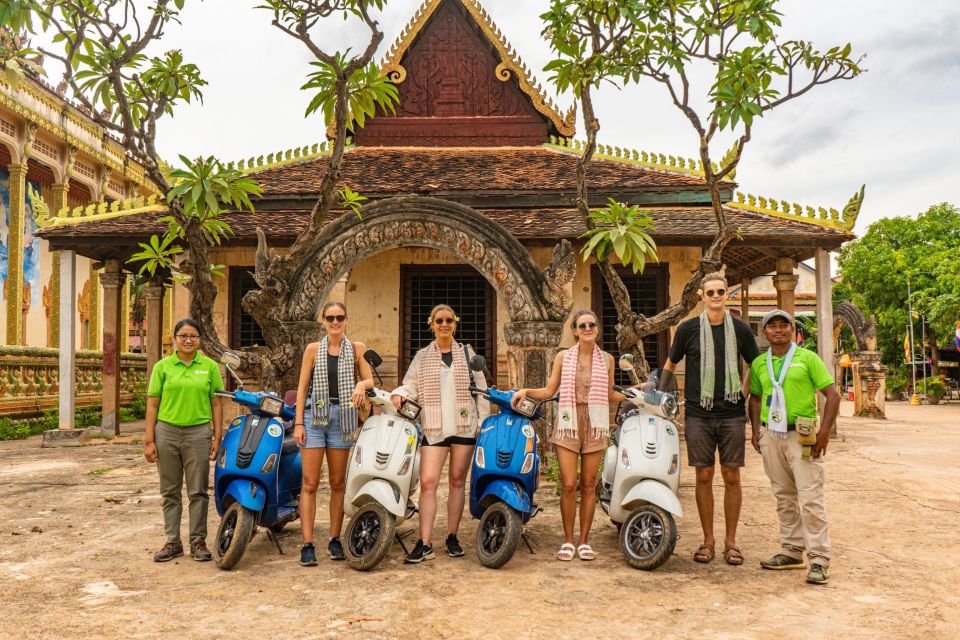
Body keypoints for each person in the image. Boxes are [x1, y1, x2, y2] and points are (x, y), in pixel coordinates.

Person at [662, 272, 760, 565]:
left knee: (731, 475)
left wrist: (742, 395)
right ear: (701, 297)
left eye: (721, 292)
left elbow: (754, 367)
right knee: (703, 475)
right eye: (711, 293)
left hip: (731, 415)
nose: (716, 297)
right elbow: (671, 363)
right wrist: (661, 397)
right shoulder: (687, 329)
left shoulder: (741, 330)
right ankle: (708, 540)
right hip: (698, 414)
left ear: (726, 294)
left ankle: (731, 542)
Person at [513, 309, 624, 561]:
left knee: (587, 485)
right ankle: (568, 540)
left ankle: (584, 541)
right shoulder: (564, 357)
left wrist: (635, 397)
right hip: (568, 423)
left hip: (594, 423)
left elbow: (609, 394)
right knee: (568, 484)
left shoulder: (607, 359)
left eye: (591, 325)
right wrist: (526, 390)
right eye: (582, 325)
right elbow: (550, 389)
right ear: (574, 331)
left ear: (597, 329)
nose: (587, 329)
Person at [391, 304, 490, 563]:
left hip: (464, 427)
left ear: (455, 324)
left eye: (448, 320)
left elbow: (480, 390)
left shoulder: (467, 354)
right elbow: (410, 384)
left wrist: (484, 422)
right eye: (439, 320)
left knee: (458, 481)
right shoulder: (422, 356)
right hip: (434, 428)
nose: (444, 324)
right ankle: (424, 543)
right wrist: (400, 394)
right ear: (432, 324)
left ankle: (452, 536)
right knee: (428, 482)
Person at [748, 309, 839, 585]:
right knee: (783, 495)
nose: (778, 330)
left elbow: (832, 396)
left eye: (783, 326)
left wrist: (824, 431)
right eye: (772, 326)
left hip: (803, 435)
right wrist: (755, 430)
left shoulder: (807, 359)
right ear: (765, 332)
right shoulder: (759, 364)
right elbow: (754, 397)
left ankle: (819, 559)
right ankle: (791, 551)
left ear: (792, 330)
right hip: (771, 434)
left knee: (810, 497)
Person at [294, 302, 374, 566]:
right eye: (330, 318)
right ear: (323, 321)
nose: (335, 322)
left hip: (343, 416)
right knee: (310, 483)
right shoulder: (313, 350)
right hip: (314, 417)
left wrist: (361, 383)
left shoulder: (357, 349)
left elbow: (370, 380)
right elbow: (302, 388)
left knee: (338, 482)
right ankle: (307, 543)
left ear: (346, 319)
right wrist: (298, 424)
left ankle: (334, 538)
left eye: (339, 317)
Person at [144, 318, 224, 563]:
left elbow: (217, 402)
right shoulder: (163, 367)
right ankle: (172, 541)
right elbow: (152, 403)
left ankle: (198, 541)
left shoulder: (209, 367)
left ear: (200, 340)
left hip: (198, 433)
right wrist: (149, 440)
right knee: (170, 490)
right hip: (166, 432)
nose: (188, 340)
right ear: (174, 338)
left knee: (198, 490)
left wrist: (216, 436)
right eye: (183, 336)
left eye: (193, 336)